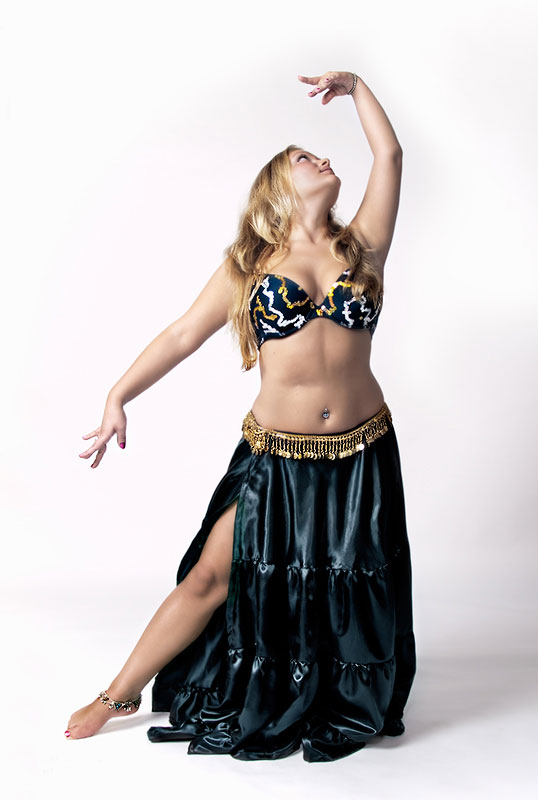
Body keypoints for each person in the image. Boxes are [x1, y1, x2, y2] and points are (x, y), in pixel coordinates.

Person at [65, 70, 417, 763]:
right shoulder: (250, 265)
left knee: (351, 588)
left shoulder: (361, 246)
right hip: (276, 457)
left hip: (361, 453)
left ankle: (331, 691)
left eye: (320, 154)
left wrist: (356, 87)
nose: (323, 159)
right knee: (209, 576)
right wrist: (117, 395)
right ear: (277, 187)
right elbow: (180, 335)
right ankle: (117, 695)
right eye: (304, 158)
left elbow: (390, 154)